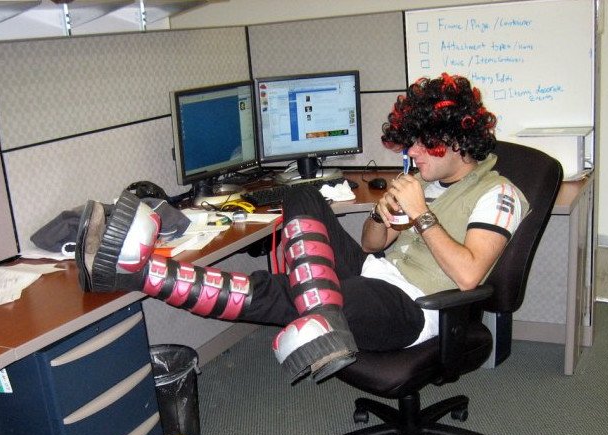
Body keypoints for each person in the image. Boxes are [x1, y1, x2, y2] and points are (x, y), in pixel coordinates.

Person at [75, 73, 528, 385]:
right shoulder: (424, 182)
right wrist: (382, 215)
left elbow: (469, 275)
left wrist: (422, 216)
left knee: (287, 292)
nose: (411, 153)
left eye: (421, 144)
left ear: (456, 140)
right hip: (374, 274)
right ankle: (325, 323)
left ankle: (138, 274)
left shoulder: (500, 194)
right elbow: (371, 245)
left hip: (416, 307)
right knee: (302, 194)